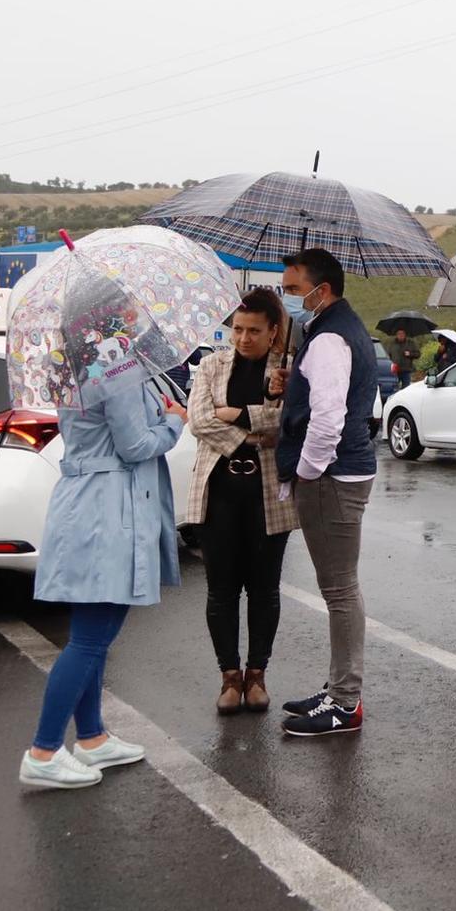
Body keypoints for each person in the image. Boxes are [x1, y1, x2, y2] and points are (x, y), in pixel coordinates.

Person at [20, 348, 186, 789]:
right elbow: (135, 446)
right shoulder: (118, 366)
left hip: (91, 503)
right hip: (108, 509)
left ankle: (91, 737)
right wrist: (174, 422)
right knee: (91, 638)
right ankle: (44, 750)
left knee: (92, 636)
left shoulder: (79, 363)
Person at [273, 248, 379, 737]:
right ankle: (338, 687)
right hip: (342, 472)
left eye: (293, 290)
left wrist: (309, 470)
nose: (288, 298)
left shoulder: (330, 338)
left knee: (339, 589)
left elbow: (329, 417)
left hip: (332, 476)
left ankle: (344, 702)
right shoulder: (332, 331)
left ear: (322, 290)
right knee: (339, 587)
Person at [183, 289, 297, 715]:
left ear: (273, 333)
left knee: (265, 590)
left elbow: (286, 422)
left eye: (254, 331)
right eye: (238, 329)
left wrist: (239, 414)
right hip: (220, 495)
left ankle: (257, 675)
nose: (244, 338)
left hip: (268, 497)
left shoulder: (286, 371)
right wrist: (250, 435)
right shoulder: (211, 365)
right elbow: (198, 421)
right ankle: (229, 677)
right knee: (222, 590)